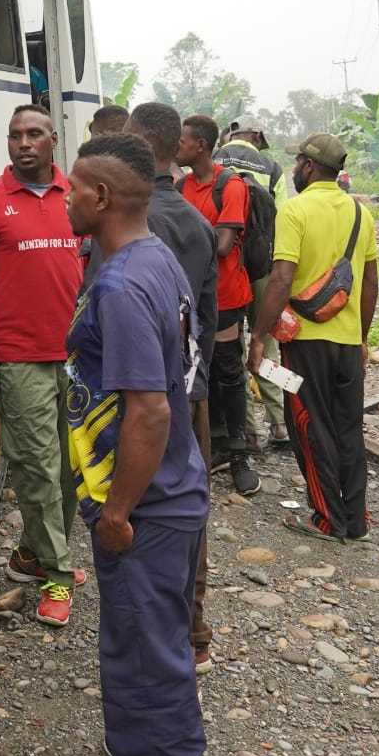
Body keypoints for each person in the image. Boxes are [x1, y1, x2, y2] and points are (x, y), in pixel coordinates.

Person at [64, 133, 209, 756]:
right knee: (136, 639)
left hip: (146, 504)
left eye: (72, 188)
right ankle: (138, 752)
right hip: (168, 488)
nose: (65, 198)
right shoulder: (156, 258)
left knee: (152, 655)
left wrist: (118, 510)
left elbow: (149, 411)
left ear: (99, 196)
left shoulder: (122, 285)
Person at [0, 104, 85, 627]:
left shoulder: (78, 197)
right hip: (18, 359)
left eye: (34, 133)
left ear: (54, 139)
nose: (23, 143)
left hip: (79, 357)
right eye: (15, 135)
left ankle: (33, 552)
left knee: (72, 468)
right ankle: (56, 573)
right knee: (38, 468)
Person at [124, 103, 221, 674]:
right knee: (190, 509)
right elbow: (204, 319)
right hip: (190, 390)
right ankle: (194, 630)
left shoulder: (130, 224)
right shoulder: (195, 222)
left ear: (137, 143)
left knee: (133, 509)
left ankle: (154, 641)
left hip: (140, 397)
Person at [247, 134, 379, 542]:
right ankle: (355, 519)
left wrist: (258, 336)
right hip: (346, 341)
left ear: (307, 166)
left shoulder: (295, 210)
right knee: (348, 427)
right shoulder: (361, 214)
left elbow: (282, 278)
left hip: (305, 342)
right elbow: (370, 281)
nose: (294, 169)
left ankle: (327, 519)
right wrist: (361, 337)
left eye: (297, 163)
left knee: (309, 426)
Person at [176, 114, 263, 497]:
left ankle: (240, 453)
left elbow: (225, 243)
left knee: (229, 373)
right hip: (190, 295)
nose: (176, 145)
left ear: (200, 145)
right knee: (199, 371)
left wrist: (184, 239)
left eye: (182, 140)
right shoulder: (181, 187)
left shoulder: (230, 186)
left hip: (226, 297)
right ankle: (211, 445)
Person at [215, 122, 289, 453]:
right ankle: (280, 423)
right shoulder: (273, 169)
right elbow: (283, 220)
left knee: (232, 349)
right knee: (267, 344)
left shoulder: (216, 157)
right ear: (258, 140)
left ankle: (245, 430)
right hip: (262, 268)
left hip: (227, 267)